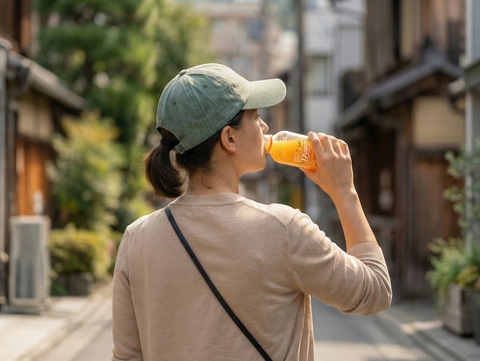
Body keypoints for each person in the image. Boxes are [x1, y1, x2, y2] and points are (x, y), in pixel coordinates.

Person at [111, 63, 392, 361]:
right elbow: (375, 292)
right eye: (255, 117)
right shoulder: (284, 229)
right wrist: (344, 192)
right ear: (229, 138)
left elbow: (126, 357)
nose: (265, 127)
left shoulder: (137, 238)